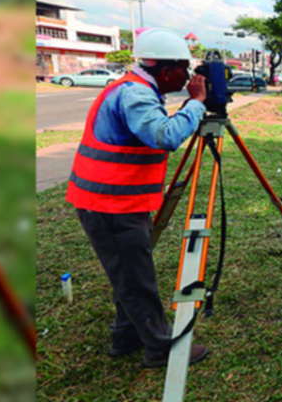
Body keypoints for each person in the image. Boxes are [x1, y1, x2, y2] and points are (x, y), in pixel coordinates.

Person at [65, 27, 212, 368]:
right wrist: (196, 104)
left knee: (129, 274)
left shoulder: (137, 88)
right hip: (111, 204)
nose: (187, 77)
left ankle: (126, 336)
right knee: (136, 279)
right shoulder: (135, 94)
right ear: (165, 71)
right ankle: (161, 348)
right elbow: (165, 135)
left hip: (119, 202)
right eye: (183, 71)